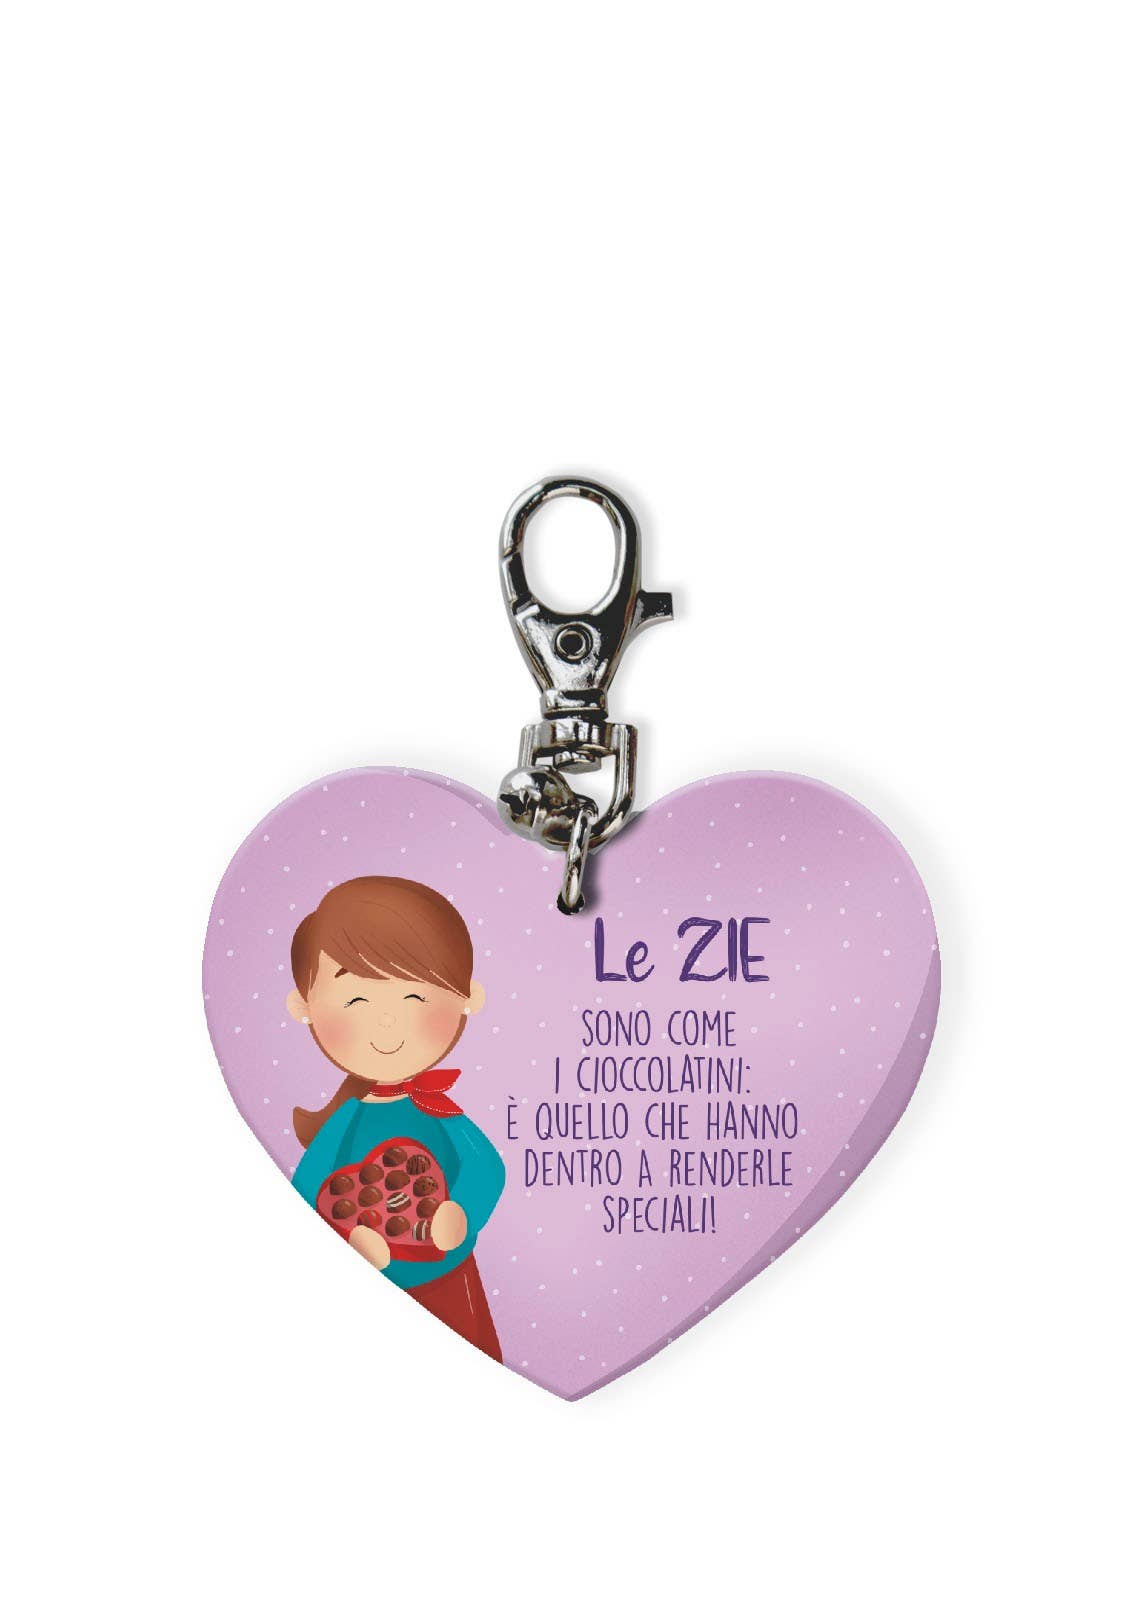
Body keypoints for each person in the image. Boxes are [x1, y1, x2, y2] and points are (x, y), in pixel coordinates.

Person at [288, 876, 504, 1361]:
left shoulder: (438, 1111)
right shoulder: (345, 1123)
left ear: (467, 997)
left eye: (413, 999)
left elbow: (486, 1168)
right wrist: (344, 1237)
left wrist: (460, 1213)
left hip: (446, 1281)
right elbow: (306, 1189)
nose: (386, 1020)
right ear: (304, 1006)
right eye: (355, 1001)